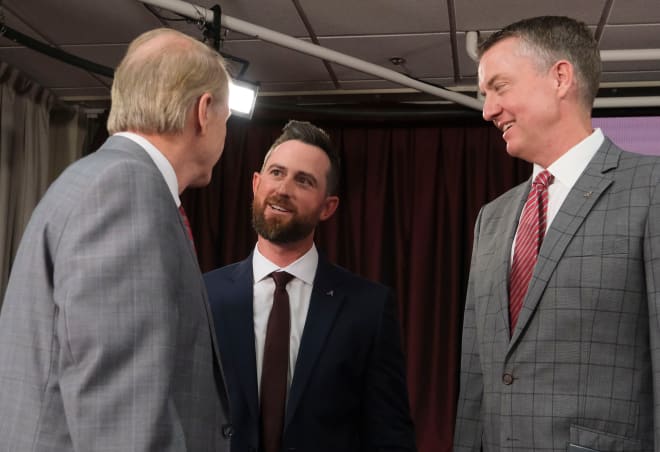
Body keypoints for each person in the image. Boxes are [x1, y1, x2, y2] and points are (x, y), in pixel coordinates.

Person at [0, 28, 233, 451]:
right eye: (226, 119)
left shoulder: (94, 179)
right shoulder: (127, 191)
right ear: (203, 112)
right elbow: (124, 423)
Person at [453, 15, 660, 452]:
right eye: (484, 94)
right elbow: (477, 376)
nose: (488, 109)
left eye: (499, 87)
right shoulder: (490, 219)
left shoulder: (652, 189)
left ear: (560, 77)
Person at [204, 120, 417, 452]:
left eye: (303, 181)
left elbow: (390, 434)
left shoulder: (368, 308)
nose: (283, 189)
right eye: (276, 173)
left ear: (328, 207)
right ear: (256, 184)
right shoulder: (205, 295)